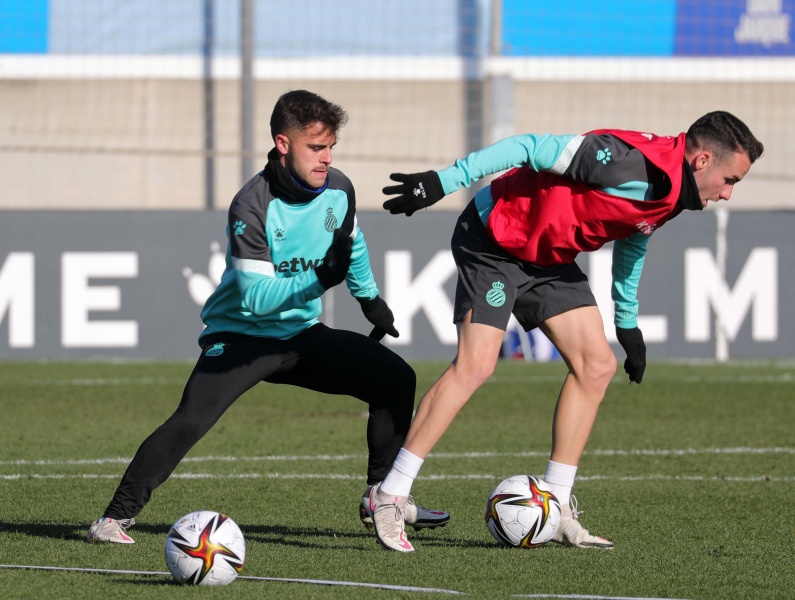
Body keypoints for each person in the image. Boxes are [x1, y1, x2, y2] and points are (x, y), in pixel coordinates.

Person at [369, 111, 763, 552]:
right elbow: (527, 146)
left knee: (597, 366)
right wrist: (444, 181)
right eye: (730, 180)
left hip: (547, 258)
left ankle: (555, 507)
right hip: (494, 238)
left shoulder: (675, 191)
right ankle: (389, 494)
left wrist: (627, 322)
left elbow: (635, 237)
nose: (727, 194)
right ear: (702, 160)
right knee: (476, 365)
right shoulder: (625, 160)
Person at [88, 89, 449, 544]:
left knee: (396, 379)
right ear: (283, 144)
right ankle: (113, 519)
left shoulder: (339, 189)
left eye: (331, 147)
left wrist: (370, 299)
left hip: (301, 334)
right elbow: (257, 298)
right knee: (192, 419)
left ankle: (382, 496)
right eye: (315, 147)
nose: (326, 158)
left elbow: (350, 244)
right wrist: (319, 280)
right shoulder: (251, 205)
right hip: (241, 338)